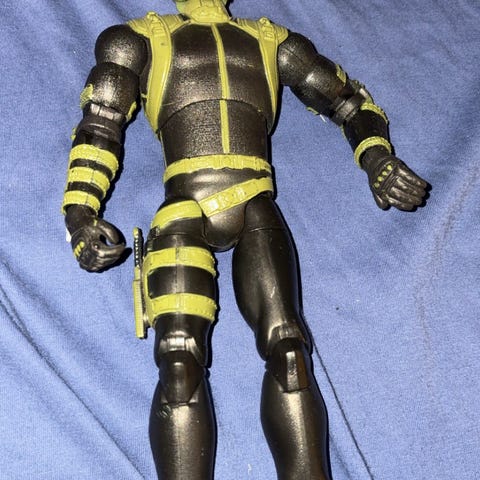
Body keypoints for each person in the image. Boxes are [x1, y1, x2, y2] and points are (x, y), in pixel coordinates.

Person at [62, 1, 427, 478]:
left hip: (254, 200)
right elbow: (100, 125)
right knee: (178, 362)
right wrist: (80, 212)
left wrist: (376, 157)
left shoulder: (273, 42)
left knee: (290, 353)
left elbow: (349, 104)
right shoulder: (135, 40)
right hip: (185, 207)